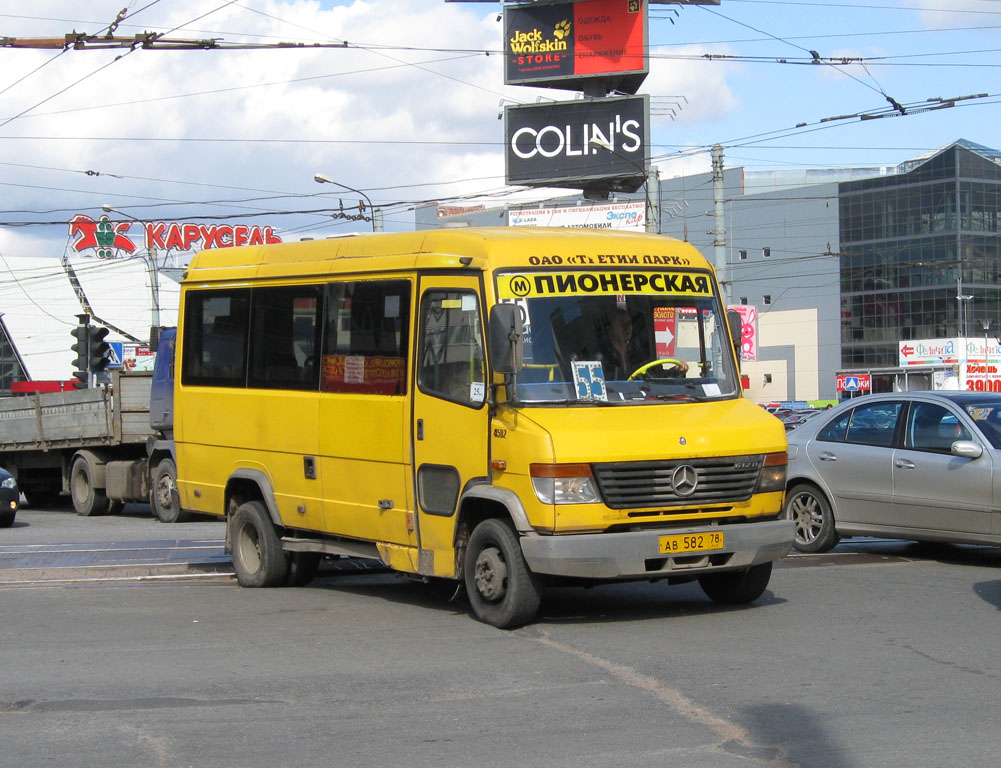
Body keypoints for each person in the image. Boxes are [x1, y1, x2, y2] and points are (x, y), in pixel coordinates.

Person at [601, 307, 687, 380]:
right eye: (621, 324)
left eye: (628, 323)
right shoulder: (602, 358)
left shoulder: (640, 355)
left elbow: (657, 378)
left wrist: (677, 371)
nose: (626, 328)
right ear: (609, 329)